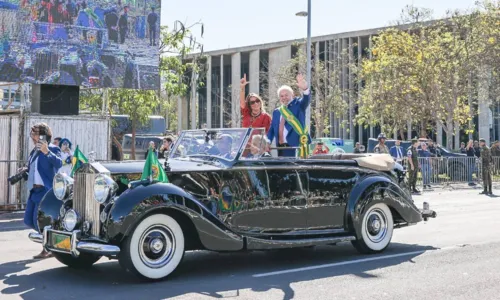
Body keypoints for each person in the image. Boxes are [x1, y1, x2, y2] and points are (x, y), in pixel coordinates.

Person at [24, 122, 62, 259]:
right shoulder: (34, 151)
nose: (33, 136)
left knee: (38, 221)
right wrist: (25, 170)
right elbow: (33, 168)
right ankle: (51, 240)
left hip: (45, 191)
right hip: (34, 190)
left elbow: (59, 163)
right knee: (28, 220)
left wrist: (47, 153)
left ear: (44, 135)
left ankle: (47, 249)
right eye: (32, 133)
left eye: (35, 133)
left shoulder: (52, 149)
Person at [267, 74, 310, 157]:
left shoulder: (298, 105)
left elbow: (306, 100)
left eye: (286, 95)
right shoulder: (277, 112)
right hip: (280, 148)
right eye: (281, 96)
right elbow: (271, 130)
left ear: (292, 95)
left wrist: (305, 89)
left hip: (296, 147)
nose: (284, 97)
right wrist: (267, 141)